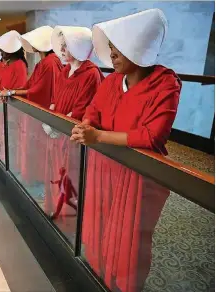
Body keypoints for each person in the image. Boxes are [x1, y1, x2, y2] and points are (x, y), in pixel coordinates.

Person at [70, 9, 181, 292]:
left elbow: (151, 136)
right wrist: (85, 127)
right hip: (103, 165)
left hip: (137, 175)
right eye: (111, 50)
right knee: (99, 222)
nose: (112, 56)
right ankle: (98, 273)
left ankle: (126, 285)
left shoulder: (165, 84)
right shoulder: (110, 81)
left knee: (129, 235)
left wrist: (98, 135)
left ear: (138, 48)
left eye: (117, 50)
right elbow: (92, 111)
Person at [44, 26, 104, 220]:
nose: (62, 50)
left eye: (67, 46)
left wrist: (58, 124)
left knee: (71, 173)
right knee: (56, 170)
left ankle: (69, 215)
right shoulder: (65, 71)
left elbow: (82, 109)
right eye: (61, 46)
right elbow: (55, 97)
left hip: (71, 134)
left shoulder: (91, 74)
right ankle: (55, 205)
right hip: (56, 131)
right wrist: (49, 117)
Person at [0, 26, 63, 185]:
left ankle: (39, 180)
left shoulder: (50, 62)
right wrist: (14, 91)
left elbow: (39, 90)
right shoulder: (44, 62)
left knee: (39, 149)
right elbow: (31, 85)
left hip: (42, 112)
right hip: (35, 110)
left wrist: (14, 92)